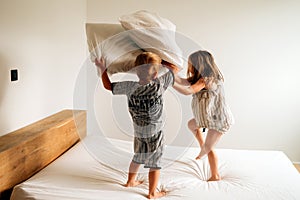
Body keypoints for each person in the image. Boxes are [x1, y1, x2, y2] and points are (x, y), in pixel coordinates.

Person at [95, 52, 179, 199]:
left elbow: (108, 86)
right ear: (155, 73)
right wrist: (161, 62)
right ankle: (152, 193)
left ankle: (130, 182)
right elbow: (175, 68)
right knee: (155, 161)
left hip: (138, 130)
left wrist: (102, 69)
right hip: (155, 131)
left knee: (138, 156)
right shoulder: (159, 84)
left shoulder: (129, 86)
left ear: (135, 70)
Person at [171, 50, 234, 181]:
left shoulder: (208, 80)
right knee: (191, 125)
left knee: (209, 148)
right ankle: (202, 147)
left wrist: (169, 82)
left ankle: (215, 175)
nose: (189, 68)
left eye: (191, 65)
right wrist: (170, 72)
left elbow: (187, 91)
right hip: (206, 118)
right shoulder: (198, 79)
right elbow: (182, 81)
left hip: (218, 121)